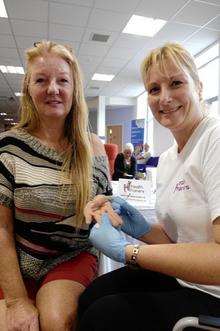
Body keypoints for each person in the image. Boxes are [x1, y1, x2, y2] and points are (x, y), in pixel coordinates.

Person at [77, 42, 220, 331]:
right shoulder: (168, 158)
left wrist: (130, 253)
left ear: (199, 87)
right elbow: (177, 244)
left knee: (102, 317)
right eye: (154, 89)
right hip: (185, 278)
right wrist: (140, 228)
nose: (164, 98)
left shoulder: (214, 139)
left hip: (213, 293)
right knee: (91, 297)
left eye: (176, 83)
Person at [0, 41, 112, 331]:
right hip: (19, 252)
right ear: (28, 89)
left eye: (62, 80)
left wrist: (110, 216)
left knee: (56, 321)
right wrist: (16, 301)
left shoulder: (93, 147)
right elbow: (1, 229)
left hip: (71, 254)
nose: (53, 89)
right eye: (41, 80)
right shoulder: (9, 148)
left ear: (74, 89)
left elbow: (105, 211)